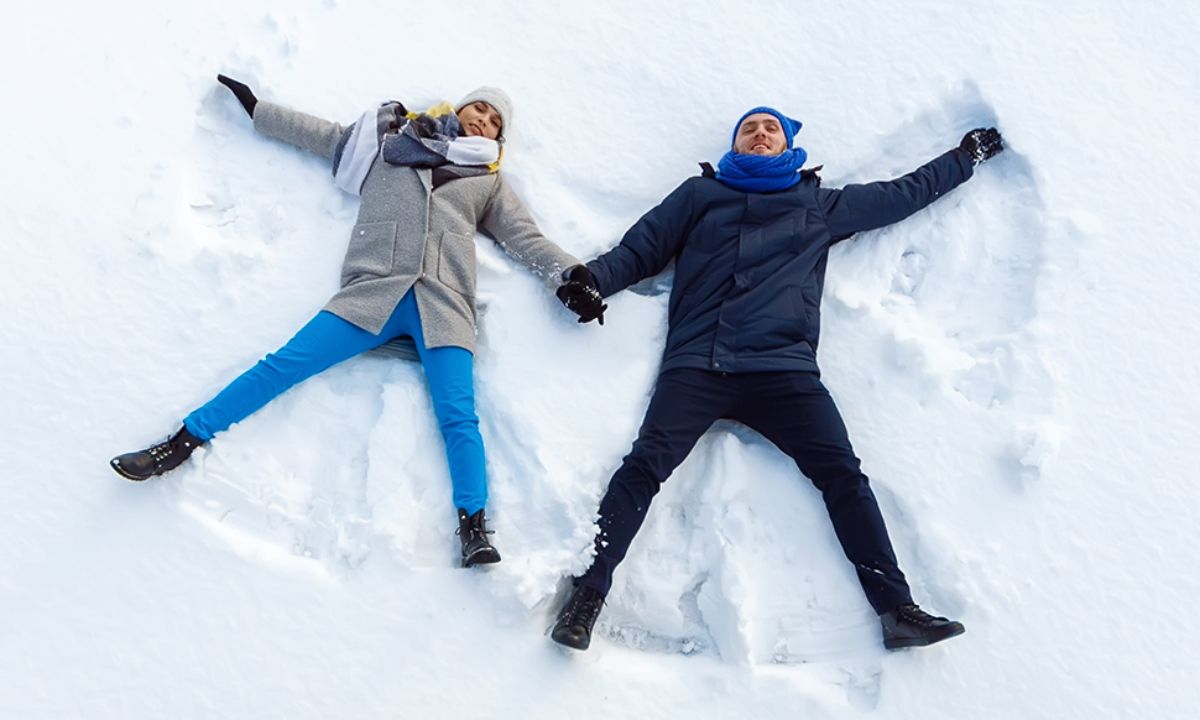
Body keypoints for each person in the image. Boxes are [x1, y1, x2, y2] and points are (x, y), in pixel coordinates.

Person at [549, 106, 1004, 650]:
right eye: (749, 128)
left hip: (784, 372)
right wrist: (593, 281)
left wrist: (964, 158)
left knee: (843, 476)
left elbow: (903, 194)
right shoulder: (700, 195)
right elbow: (641, 249)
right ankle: (586, 599)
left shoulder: (818, 204)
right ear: (735, 145)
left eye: (771, 128)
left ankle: (897, 610)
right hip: (699, 364)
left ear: (789, 145)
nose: (760, 133)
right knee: (643, 467)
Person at [111, 74, 589, 568]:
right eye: (480, 110)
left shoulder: (487, 181)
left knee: (458, 415)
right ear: (460, 108)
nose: (483, 122)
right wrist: (258, 110)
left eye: (494, 123)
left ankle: (473, 528)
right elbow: (323, 136)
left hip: (444, 305)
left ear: (497, 139)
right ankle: (180, 444)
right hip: (372, 292)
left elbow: (526, 238)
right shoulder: (391, 145)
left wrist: (571, 275)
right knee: (282, 366)